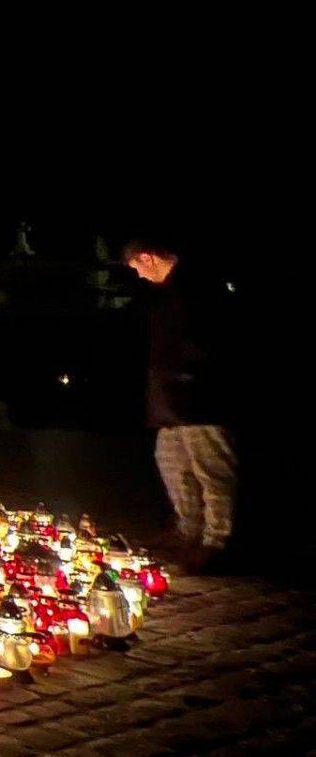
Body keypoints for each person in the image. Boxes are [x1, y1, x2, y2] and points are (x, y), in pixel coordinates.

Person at [125, 238, 235, 572]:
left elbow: (208, 343)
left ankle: (217, 543)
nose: (140, 277)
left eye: (138, 269)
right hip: (170, 402)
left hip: (199, 399)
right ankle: (186, 530)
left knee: (211, 472)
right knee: (174, 465)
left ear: (148, 257)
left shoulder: (198, 288)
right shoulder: (168, 293)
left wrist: (186, 375)